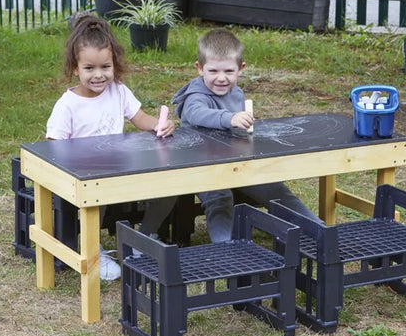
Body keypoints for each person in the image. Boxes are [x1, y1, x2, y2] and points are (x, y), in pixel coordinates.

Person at [46, 15, 177, 280]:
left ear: (114, 65)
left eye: (105, 66)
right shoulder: (67, 105)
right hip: (86, 175)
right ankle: (93, 248)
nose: (99, 75)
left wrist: (160, 125)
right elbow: (54, 147)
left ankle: (142, 238)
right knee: (98, 195)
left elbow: (140, 118)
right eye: (89, 68)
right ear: (75, 68)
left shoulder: (118, 90)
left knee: (171, 183)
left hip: (119, 167)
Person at [171, 28, 320, 243]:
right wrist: (229, 118)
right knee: (219, 198)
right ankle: (227, 248)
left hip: (237, 162)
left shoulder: (237, 93)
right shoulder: (196, 96)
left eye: (228, 72)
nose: (221, 78)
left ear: (241, 69)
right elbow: (196, 114)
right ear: (199, 68)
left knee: (276, 189)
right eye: (213, 71)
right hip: (203, 166)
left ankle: (316, 229)